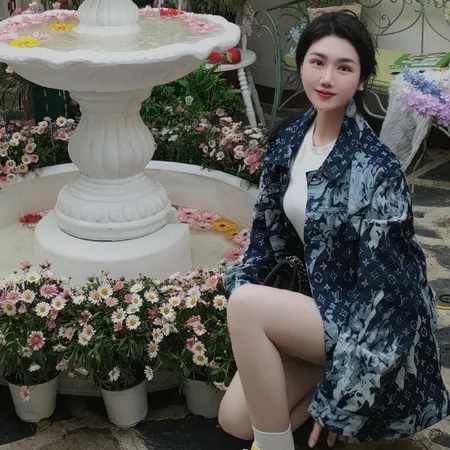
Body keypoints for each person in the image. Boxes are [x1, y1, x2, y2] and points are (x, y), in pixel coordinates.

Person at [218, 10, 450, 450]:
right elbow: (266, 239)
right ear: (302, 63)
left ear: (361, 81)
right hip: (316, 307)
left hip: (365, 321)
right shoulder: (289, 140)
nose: (327, 78)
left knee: (246, 306)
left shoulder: (375, 168)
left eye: (344, 67)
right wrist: (251, 300)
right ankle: (312, 381)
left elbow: (389, 292)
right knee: (234, 420)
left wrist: (347, 392)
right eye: (317, 62)